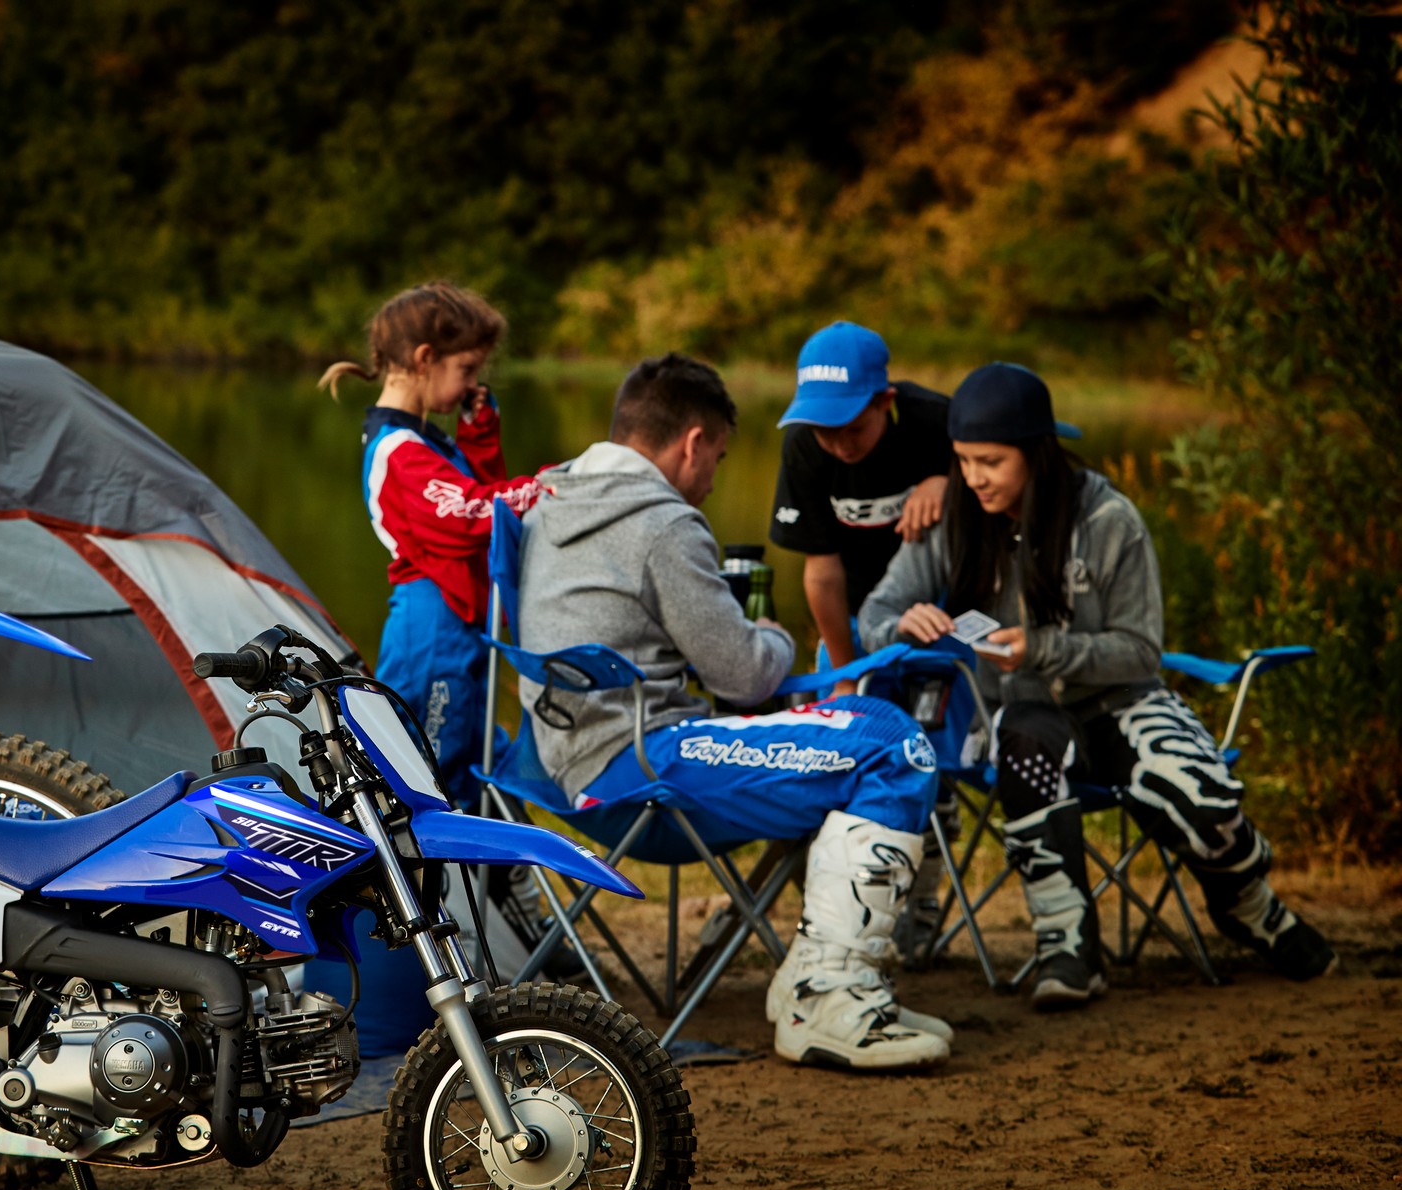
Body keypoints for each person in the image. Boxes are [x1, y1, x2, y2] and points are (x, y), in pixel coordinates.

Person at [517, 353, 951, 1071]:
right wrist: (775, 636)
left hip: (560, 761)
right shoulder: (662, 522)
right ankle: (826, 997)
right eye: (717, 458)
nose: (714, 479)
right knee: (891, 745)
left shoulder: (550, 498)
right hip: (643, 767)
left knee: (864, 738)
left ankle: (819, 975)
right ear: (692, 443)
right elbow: (745, 677)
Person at [858, 362, 1334, 1008]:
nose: (973, 478)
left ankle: (1248, 904)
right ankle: (1067, 942)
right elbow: (876, 613)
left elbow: (1140, 651)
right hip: (1026, 715)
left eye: (991, 461)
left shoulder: (1110, 519)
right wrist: (900, 625)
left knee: (1197, 798)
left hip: (1121, 704)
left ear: (1036, 452)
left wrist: (1043, 649)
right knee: (1023, 742)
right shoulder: (958, 518)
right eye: (963, 460)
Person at [769, 321, 958, 960]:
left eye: (850, 427)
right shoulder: (805, 445)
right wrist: (847, 674)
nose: (837, 443)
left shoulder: (937, 422)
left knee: (936, 764)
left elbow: (1003, 481)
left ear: (886, 401)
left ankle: (923, 904)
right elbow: (821, 573)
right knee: (848, 747)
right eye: (824, 429)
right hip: (852, 621)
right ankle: (846, 910)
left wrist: (948, 482)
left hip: (938, 622)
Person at [321, 282, 542, 805]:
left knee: (473, 761)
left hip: (458, 622)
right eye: (466, 369)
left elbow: (478, 498)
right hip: (432, 627)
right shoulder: (399, 450)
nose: (472, 384)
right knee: (428, 779)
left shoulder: (424, 441)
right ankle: (424, 863)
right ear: (425, 359)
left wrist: (478, 433)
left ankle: (501, 858)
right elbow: (466, 514)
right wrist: (543, 488)